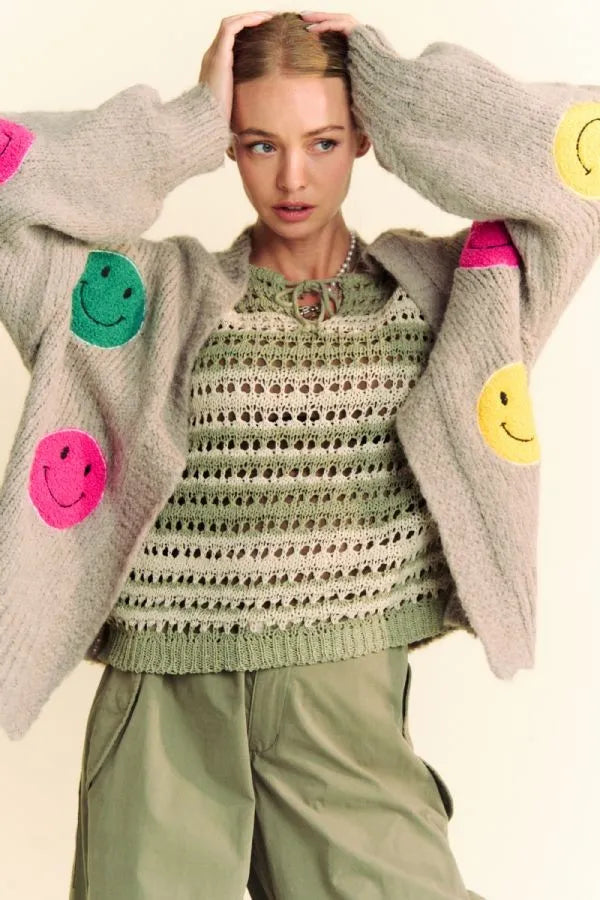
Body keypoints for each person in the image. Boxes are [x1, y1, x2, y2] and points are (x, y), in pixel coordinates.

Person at [1, 9, 598, 899]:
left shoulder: (447, 298)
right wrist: (181, 126)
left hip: (341, 714)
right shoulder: (146, 299)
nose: (292, 177)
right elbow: (9, 192)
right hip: (162, 715)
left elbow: (581, 169)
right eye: (258, 143)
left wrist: (402, 93)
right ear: (231, 146)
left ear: (362, 137)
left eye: (322, 141)